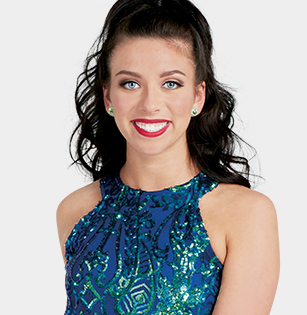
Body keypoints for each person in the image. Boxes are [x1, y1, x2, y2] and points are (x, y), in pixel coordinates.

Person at [57, 0, 280, 314]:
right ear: (108, 97)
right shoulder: (75, 211)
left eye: (171, 83)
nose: (150, 104)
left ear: (197, 96)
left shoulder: (246, 216)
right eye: (130, 83)